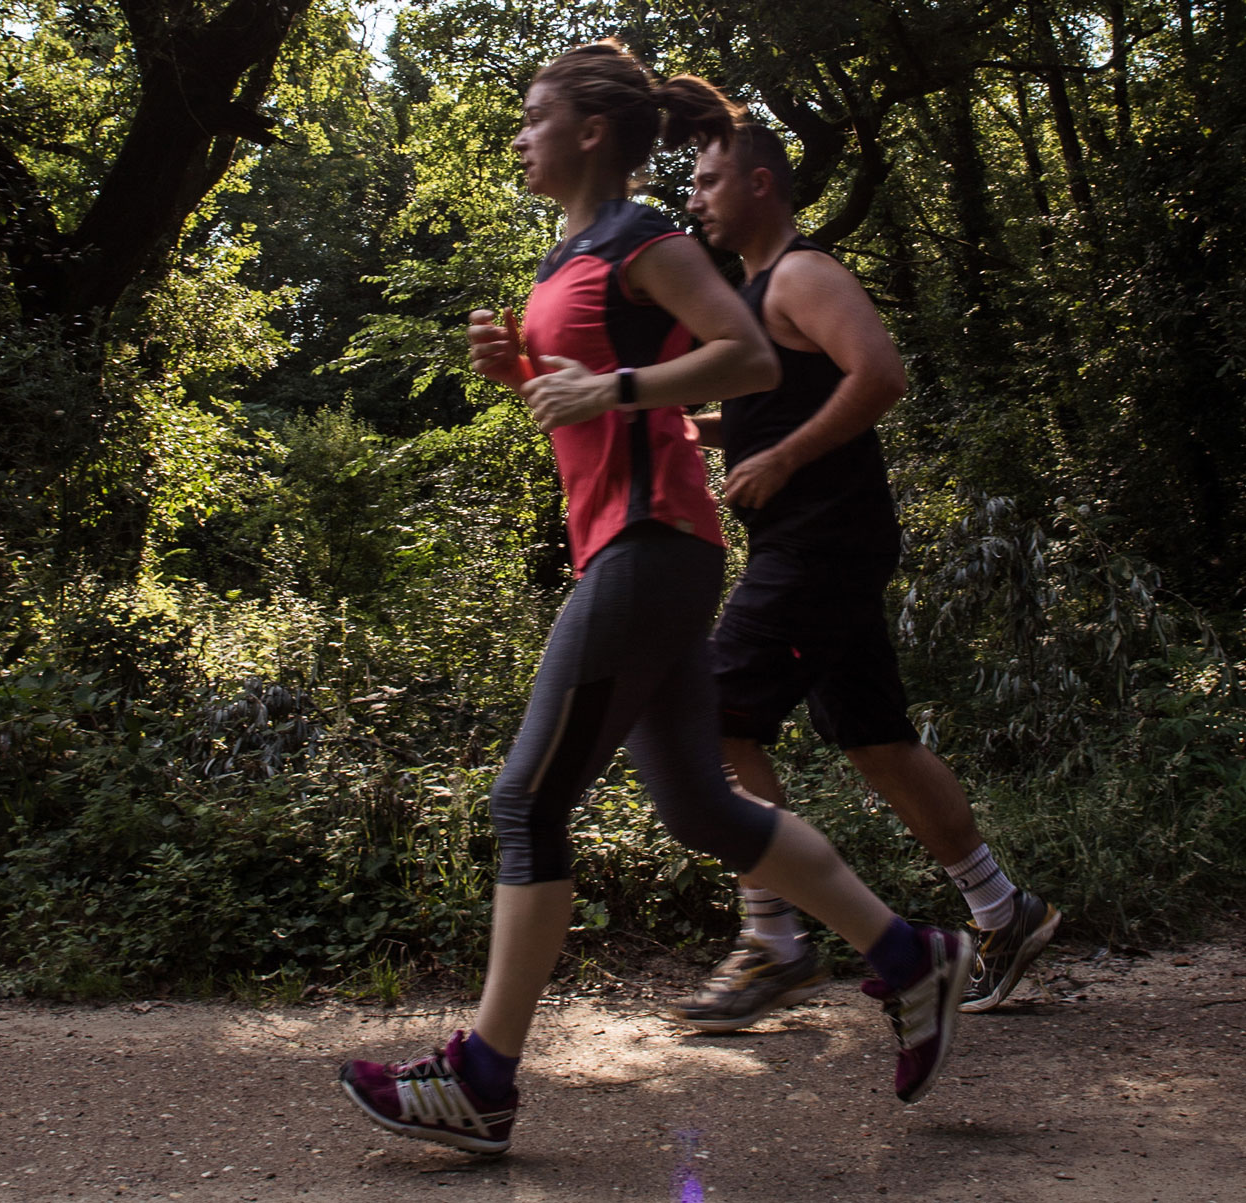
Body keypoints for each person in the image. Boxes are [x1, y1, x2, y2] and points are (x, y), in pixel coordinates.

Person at [337, 42, 972, 1157]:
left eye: (535, 116)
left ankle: (481, 1076)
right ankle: (907, 955)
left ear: (591, 131)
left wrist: (615, 384)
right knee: (702, 809)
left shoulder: (649, 240)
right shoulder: (567, 256)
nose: (520, 134)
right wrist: (520, 375)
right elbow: (587, 397)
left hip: (651, 542)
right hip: (626, 548)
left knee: (525, 804)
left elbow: (750, 361)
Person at [666, 115, 1060, 1034]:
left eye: (710, 181)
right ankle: (1006, 913)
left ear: (761, 184)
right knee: (876, 736)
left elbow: (880, 374)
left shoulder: (803, 274)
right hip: (815, 543)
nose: (695, 199)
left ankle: (772, 936)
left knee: (717, 711)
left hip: (822, 540)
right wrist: (684, 429)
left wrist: (786, 461)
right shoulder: (760, 294)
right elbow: (772, 415)